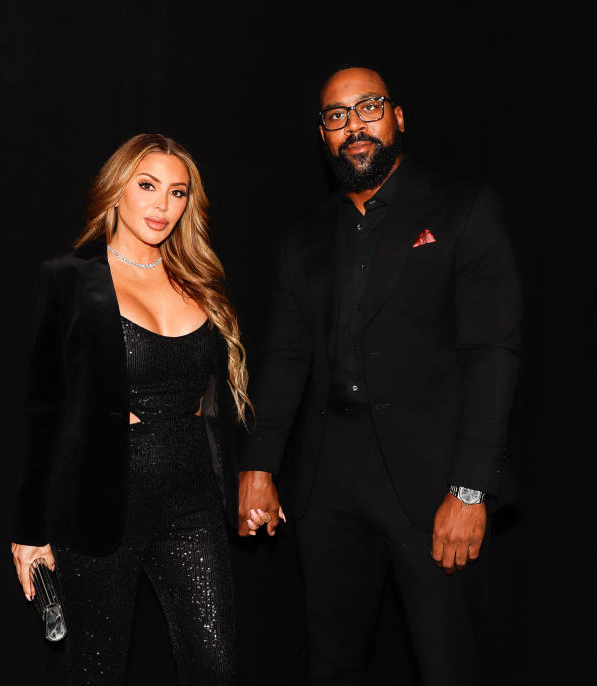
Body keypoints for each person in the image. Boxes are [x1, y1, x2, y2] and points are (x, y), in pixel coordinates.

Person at [237, 67, 521, 685]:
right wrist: (258, 466)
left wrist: (470, 490)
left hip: (434, 481)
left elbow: (492, 355)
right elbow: (285, 358)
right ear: (323, 134)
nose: (354, 125)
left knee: (450, 667)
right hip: (327, 479)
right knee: (333, 666)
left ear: (398, 116)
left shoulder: (464, 210)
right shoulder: (303, 239)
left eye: (368, 108)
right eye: (337, 116)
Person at [10, 133, 249, 686]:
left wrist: (245, 480)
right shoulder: (70, 277)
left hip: (192, 498)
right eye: (147, 187)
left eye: (177, 192)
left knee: (216, 666)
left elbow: (220, 408)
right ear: (117, 190)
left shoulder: (199, 279)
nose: (163, 206)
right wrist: (29, 530)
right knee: (99, 671)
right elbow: (44, 408)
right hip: (101, 498)